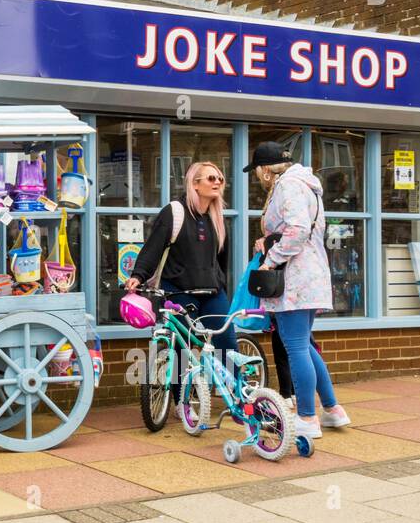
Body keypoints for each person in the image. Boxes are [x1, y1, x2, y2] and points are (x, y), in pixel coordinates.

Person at [245, 141, 351, 439]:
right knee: (303, 344)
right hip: (312, 275)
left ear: (266, 170)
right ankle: (332, 410)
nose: (256, 176)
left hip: (294, 280)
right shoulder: (308, 185)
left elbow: (298, 229)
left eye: (256, 170)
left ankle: (307, 417)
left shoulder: (287, 186)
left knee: (295, 347)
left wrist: (270, 260)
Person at [125, 161, 236, 376]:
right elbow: (153, 248)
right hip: (178, 291)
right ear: (194, 184)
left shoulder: (217, 218)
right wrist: (138, 276)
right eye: (211, 178)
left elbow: (222, 260)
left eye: (220, 179)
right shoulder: (174, 212)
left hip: (212, 292)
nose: (217, 183)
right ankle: (181, 404)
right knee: (180, 349)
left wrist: (220, 283)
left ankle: (239, 397)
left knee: (226, 342)